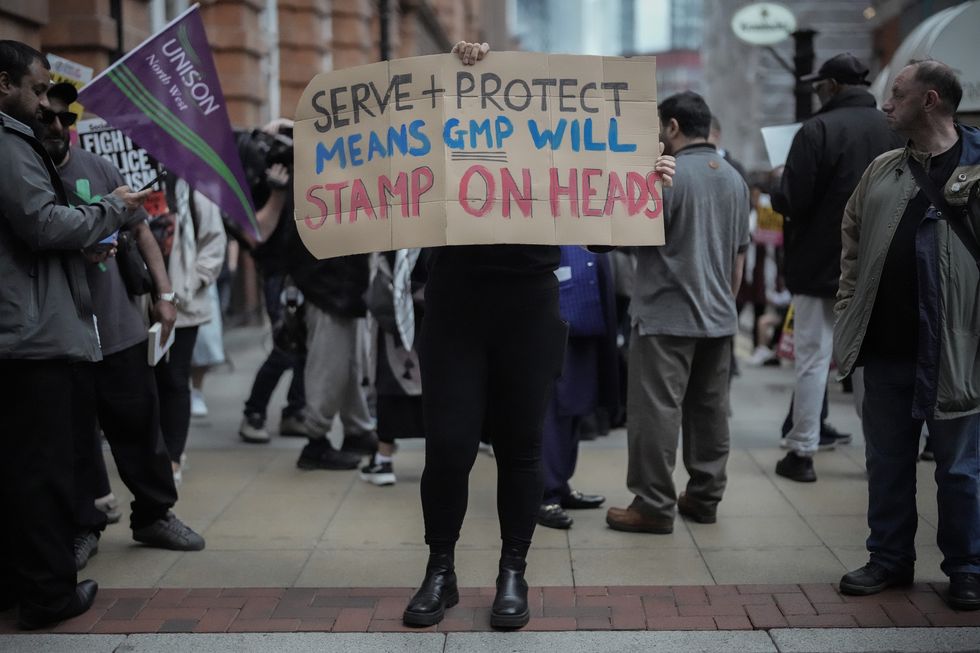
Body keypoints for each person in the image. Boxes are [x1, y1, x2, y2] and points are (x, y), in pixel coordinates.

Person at [402, 41, 675, 630]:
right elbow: (411, 134)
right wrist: (462, 61)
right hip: (454, 307)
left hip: (528, 306)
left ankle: (512, 571)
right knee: (447, 447)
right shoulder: (454, 130)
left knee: (522, 448)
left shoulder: (559, 153)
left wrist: (644, 183)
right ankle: (440, 569)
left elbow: (602, 236)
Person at [0, 40, 150, 630]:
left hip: (21, 329)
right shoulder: (10, 143)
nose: (46, 104)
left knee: (20, 469)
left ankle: (19, 584)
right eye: (37, 90)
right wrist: (110, 209)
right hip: (31, 336)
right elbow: (41, 223)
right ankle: (48, 595)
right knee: (43, 472)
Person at [833, 59, 980, 610]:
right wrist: (848, 307)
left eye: (897, 93)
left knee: (960, 468)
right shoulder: (883, 170)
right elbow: (851, 239)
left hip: (961, 347)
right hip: (888, 346)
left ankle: (967, 566)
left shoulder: (979, 165)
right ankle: (889, 558)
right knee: (886, 460)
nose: (886, 103)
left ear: (931, 100)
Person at [39, 82, 205, 566]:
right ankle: (84, 523)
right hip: (61, 335)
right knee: (75, 436)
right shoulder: (26, 174)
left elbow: (141, 230)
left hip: (118, 327)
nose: (56, 127)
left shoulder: (99, 166)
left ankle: (154, 513)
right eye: (46, 118)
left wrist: (166, 295)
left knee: (139, 426)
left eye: (64, 119)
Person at [605, 91, 749, 535]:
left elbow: (614, 237)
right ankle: (705, 498)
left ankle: (653, 504)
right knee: (710, 412)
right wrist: (723, 304)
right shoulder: (733, 178)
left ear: (671, 127)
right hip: (718, 316)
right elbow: (738, 261)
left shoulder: (663, 178)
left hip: (665, 317)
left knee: (656, 414)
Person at [772, 53, 903, 482]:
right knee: (871, 361)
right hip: (881, 264)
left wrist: (778, 181)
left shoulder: (817, 130)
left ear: (831, 86)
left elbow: (792, 199)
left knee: (813, 358)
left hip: (819, 267)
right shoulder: (894, 128)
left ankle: (803, 452)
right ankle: (880, 456)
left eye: (818, 85)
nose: (816, 92)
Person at [154, 173, 227, 484]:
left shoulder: (196, 192)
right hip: (142, 302)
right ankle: (155, 451)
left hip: (185, 305)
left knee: (175, 378)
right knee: (149, 382)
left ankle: (173, 456)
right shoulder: (134, 182)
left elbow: (214, 242)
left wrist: (192, 282)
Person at [537, 247, 618, 530]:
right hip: (559, 283)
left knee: (575, 399)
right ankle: (545, 491)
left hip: (586, 282)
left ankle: (559, 483)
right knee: (554, 402)